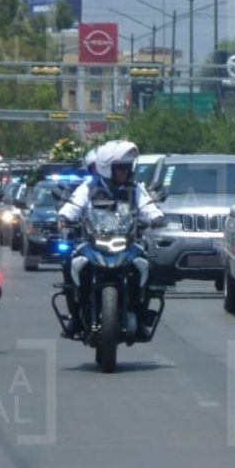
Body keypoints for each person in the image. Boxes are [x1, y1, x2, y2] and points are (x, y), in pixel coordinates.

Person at [57, 140, 166, 336]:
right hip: (93, 242)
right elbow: (73, 205)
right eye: (120, 168)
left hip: (127, 243)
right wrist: (64, 217)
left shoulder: (135, 189)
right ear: (107, 169)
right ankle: (76, 317)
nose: (125, 172)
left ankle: (141, 314)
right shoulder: (89, 188)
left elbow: (148, 207)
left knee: (150, 265)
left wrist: (157, 217)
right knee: (69, 264)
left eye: (127, 167)